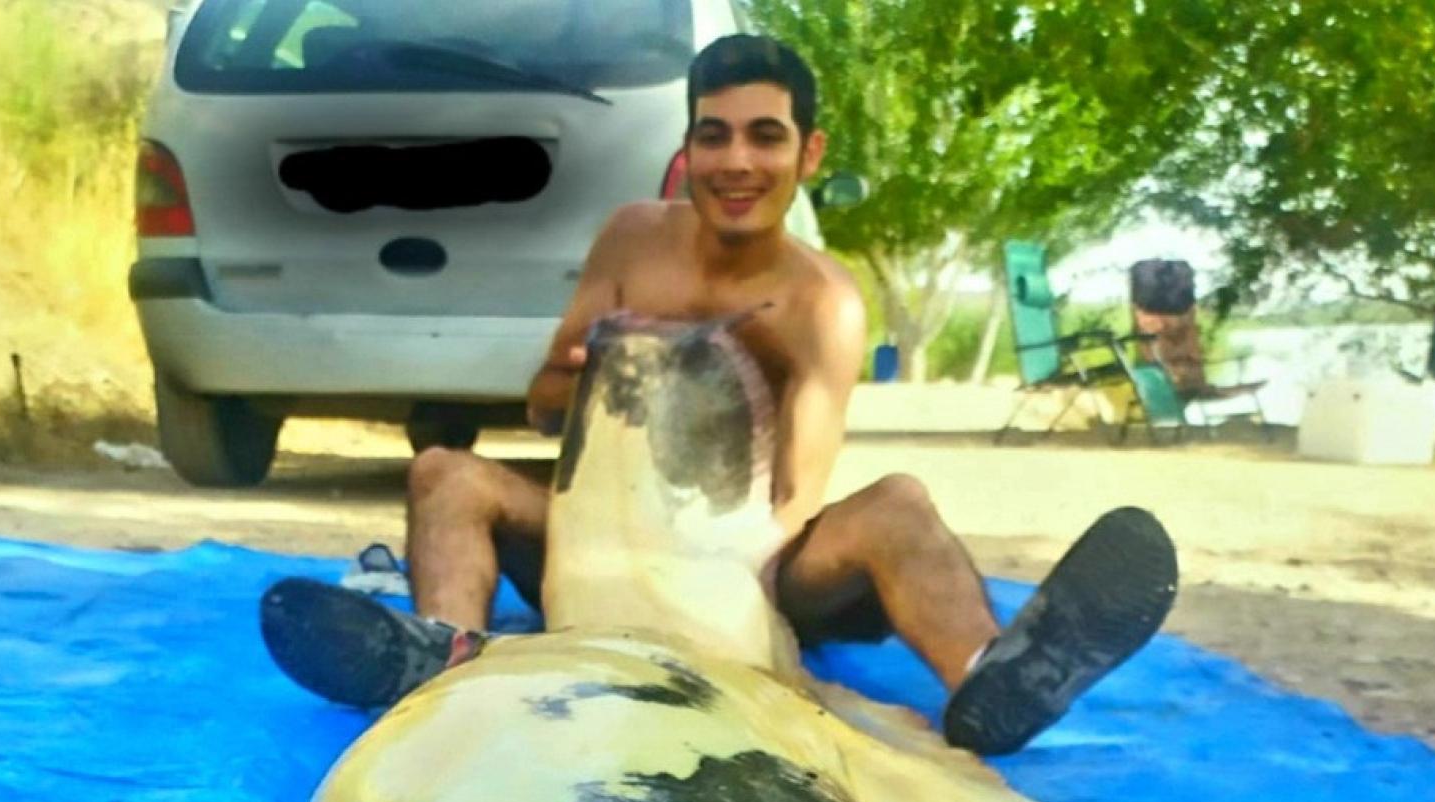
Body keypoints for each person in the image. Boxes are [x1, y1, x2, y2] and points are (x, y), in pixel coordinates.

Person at [260, 33, 1177, 756]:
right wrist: (566, 381)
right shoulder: (630, 239)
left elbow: (800, 498)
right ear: (689, 148)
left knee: (897, 505)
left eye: (765, 136)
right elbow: (543, 404)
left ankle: (992, 677)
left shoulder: (823, 302)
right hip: (597, 532)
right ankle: (441, 648)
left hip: (754, 558)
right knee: (445, 474)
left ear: (807, 152)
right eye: (715, 134)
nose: (737, 161)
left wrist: (707, 595)